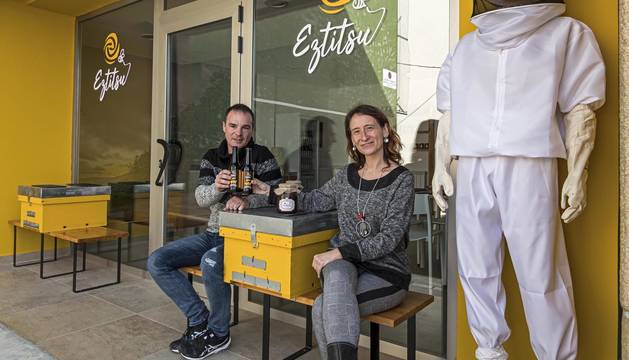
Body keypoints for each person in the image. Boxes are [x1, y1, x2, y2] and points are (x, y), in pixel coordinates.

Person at [432, 1, 605, 359]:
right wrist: (439, 165)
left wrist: (578, 171)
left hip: (530, 161)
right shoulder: (466, 47)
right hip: (474, 162)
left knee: (540, 272)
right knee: (476, 267)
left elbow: (581, 109)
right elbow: (451, 113)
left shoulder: (565, 34)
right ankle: (488, 351)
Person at [253, 104, 414, 360]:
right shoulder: (347, 175)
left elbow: (390, 238)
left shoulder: (402, 179)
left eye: (369, 128)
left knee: (322, 306)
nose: (364, 136)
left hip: (386, 271)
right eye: (356, 131)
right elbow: (316, 200)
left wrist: (339, 252)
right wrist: (272, 194)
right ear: (351, 139)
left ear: (385, 130)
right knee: (336, 276)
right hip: (346, 263)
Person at [147, 104, 282, 360]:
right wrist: (218, 190)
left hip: (248, 238)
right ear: (224, 126)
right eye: (233, 126)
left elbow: (278, 197)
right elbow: (201, 198)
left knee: (210, 262)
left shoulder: (263, 156)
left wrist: (247, 201)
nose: (238, 133)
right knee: (157, 260)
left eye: (245, 127)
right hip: (214, 233)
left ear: (252, 129)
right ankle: (199, 322)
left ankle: (219, 332)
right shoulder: (212, 156)